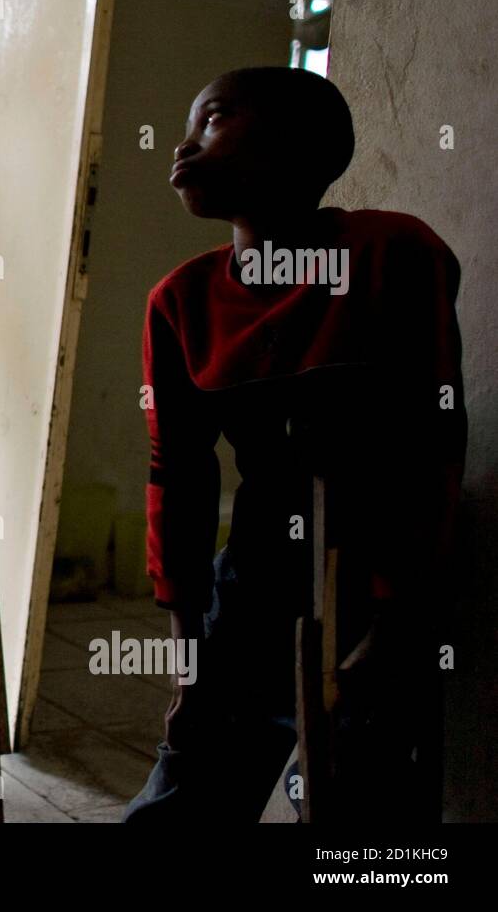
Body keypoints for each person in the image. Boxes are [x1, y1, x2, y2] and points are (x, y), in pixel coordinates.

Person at [124, 67, 466, 823]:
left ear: (296, 146)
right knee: (189, 785)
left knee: (361, 801)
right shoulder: (181, 299)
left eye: (212, 120)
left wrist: (396, 624)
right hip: (256, 574)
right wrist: (189, 656)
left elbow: (431, 443)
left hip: (378, 573)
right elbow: (174, 476)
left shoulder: (391, 253)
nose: (182, 147)